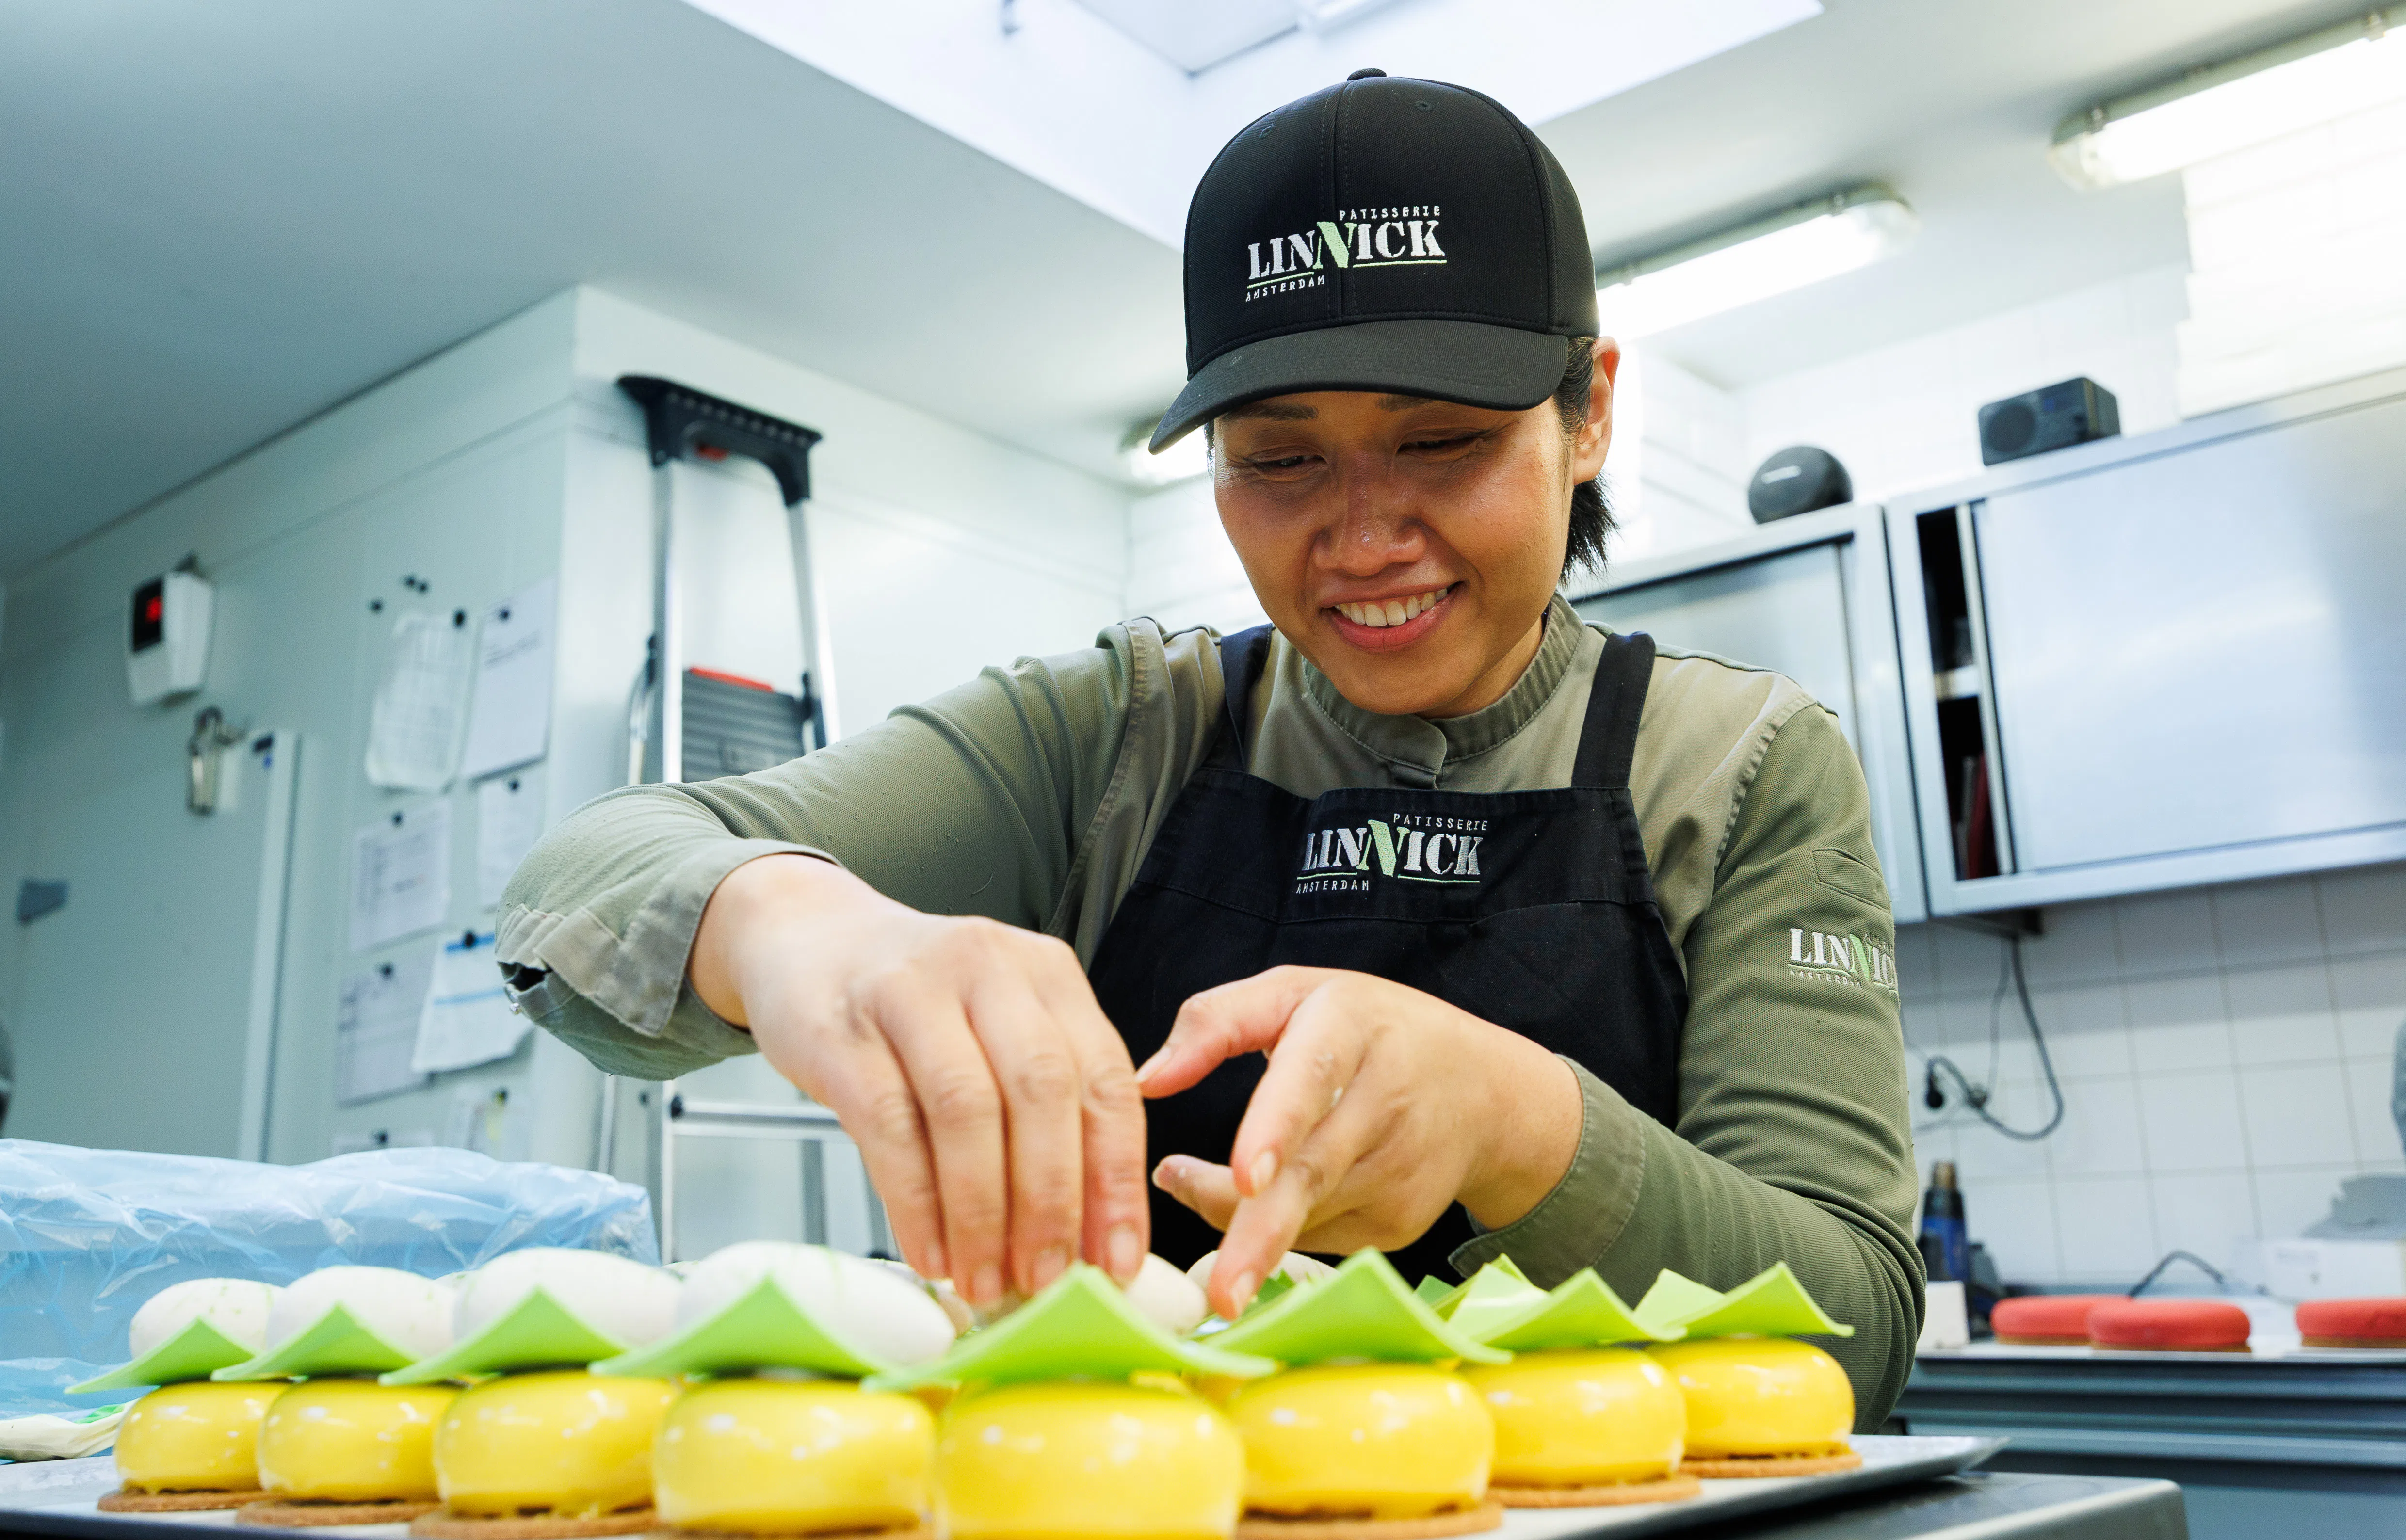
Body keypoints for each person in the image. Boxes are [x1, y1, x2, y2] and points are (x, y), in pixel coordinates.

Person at [499, 71, 1923, 1422]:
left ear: (1589, 411)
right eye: (1279, 459)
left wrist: (1518, 1126)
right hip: (1136, 1523)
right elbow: (577, 892)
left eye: (1442, 442)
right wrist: (795, 923)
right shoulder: (1118, 735)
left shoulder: (1741, 766)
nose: (1363, 539)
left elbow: (1852, 1334)